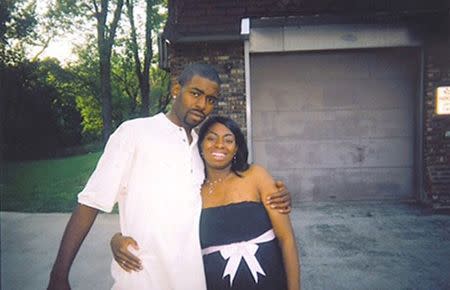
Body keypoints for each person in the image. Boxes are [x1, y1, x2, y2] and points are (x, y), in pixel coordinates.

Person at [47, 63, 292, 290]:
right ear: (177, 89)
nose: (202, 104)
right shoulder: (134, 133)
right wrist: (60, 274)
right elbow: (91, 201)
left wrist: (277, 195)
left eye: (210, 99)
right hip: (142, 276)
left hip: (192, 280)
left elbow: (223, 192)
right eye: (195, 93)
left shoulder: (200, 150)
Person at [112, 116, 301, 290]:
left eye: (228, 140)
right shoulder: (191, 189)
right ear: (200, 145)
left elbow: (287, 240)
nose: (220, 145)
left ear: (236, 148)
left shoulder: (256, 176)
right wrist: (117, 239)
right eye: (211, 138)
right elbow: (158, 223)